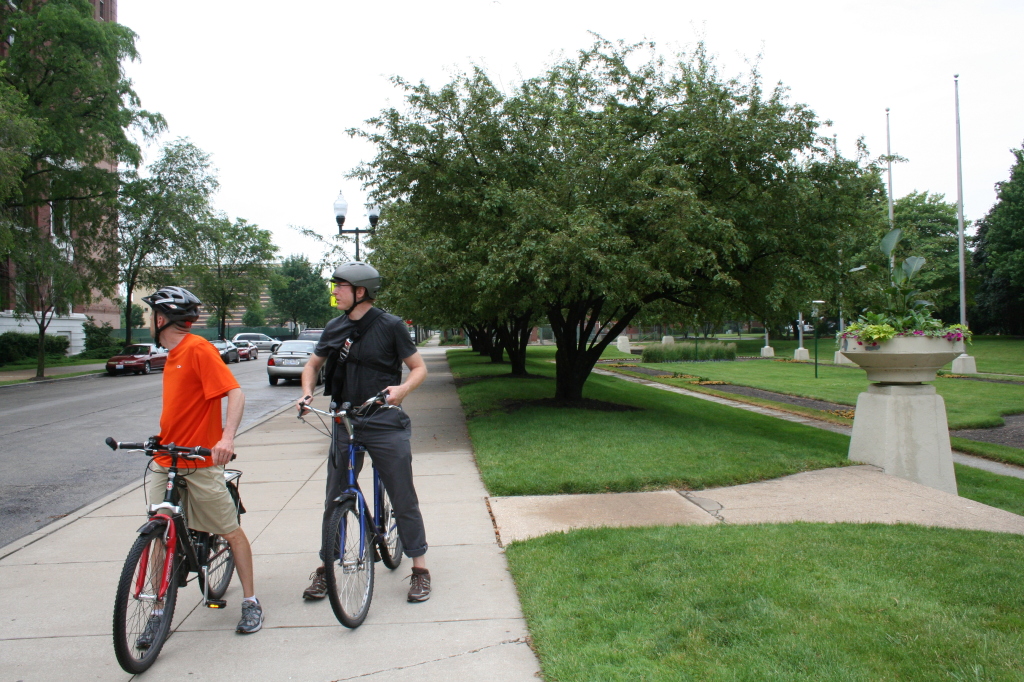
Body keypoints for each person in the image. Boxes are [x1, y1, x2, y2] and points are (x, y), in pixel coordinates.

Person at [296, 262, 431, 602]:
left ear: (360, 291)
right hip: (345, 419)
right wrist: (307, 391)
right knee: (335, 496)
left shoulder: (391, 326)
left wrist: (401, 391)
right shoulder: (334, 327)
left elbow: (418, 368)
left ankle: (420, 568)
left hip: (384, 418)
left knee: (402, 494)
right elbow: (313, 365)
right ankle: (328, 567)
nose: (334, 292)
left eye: (339, 287)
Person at [140, 286, 263, 638]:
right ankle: (158, 608)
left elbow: (235, 392)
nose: (150, 320)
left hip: (200, 461)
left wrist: (226, 438)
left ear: (161, 318)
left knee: (229, 530)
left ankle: (251, 601)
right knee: (158, 532)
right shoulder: (172, 354)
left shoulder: (197, 349)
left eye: (152, 315)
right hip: (167, 458)